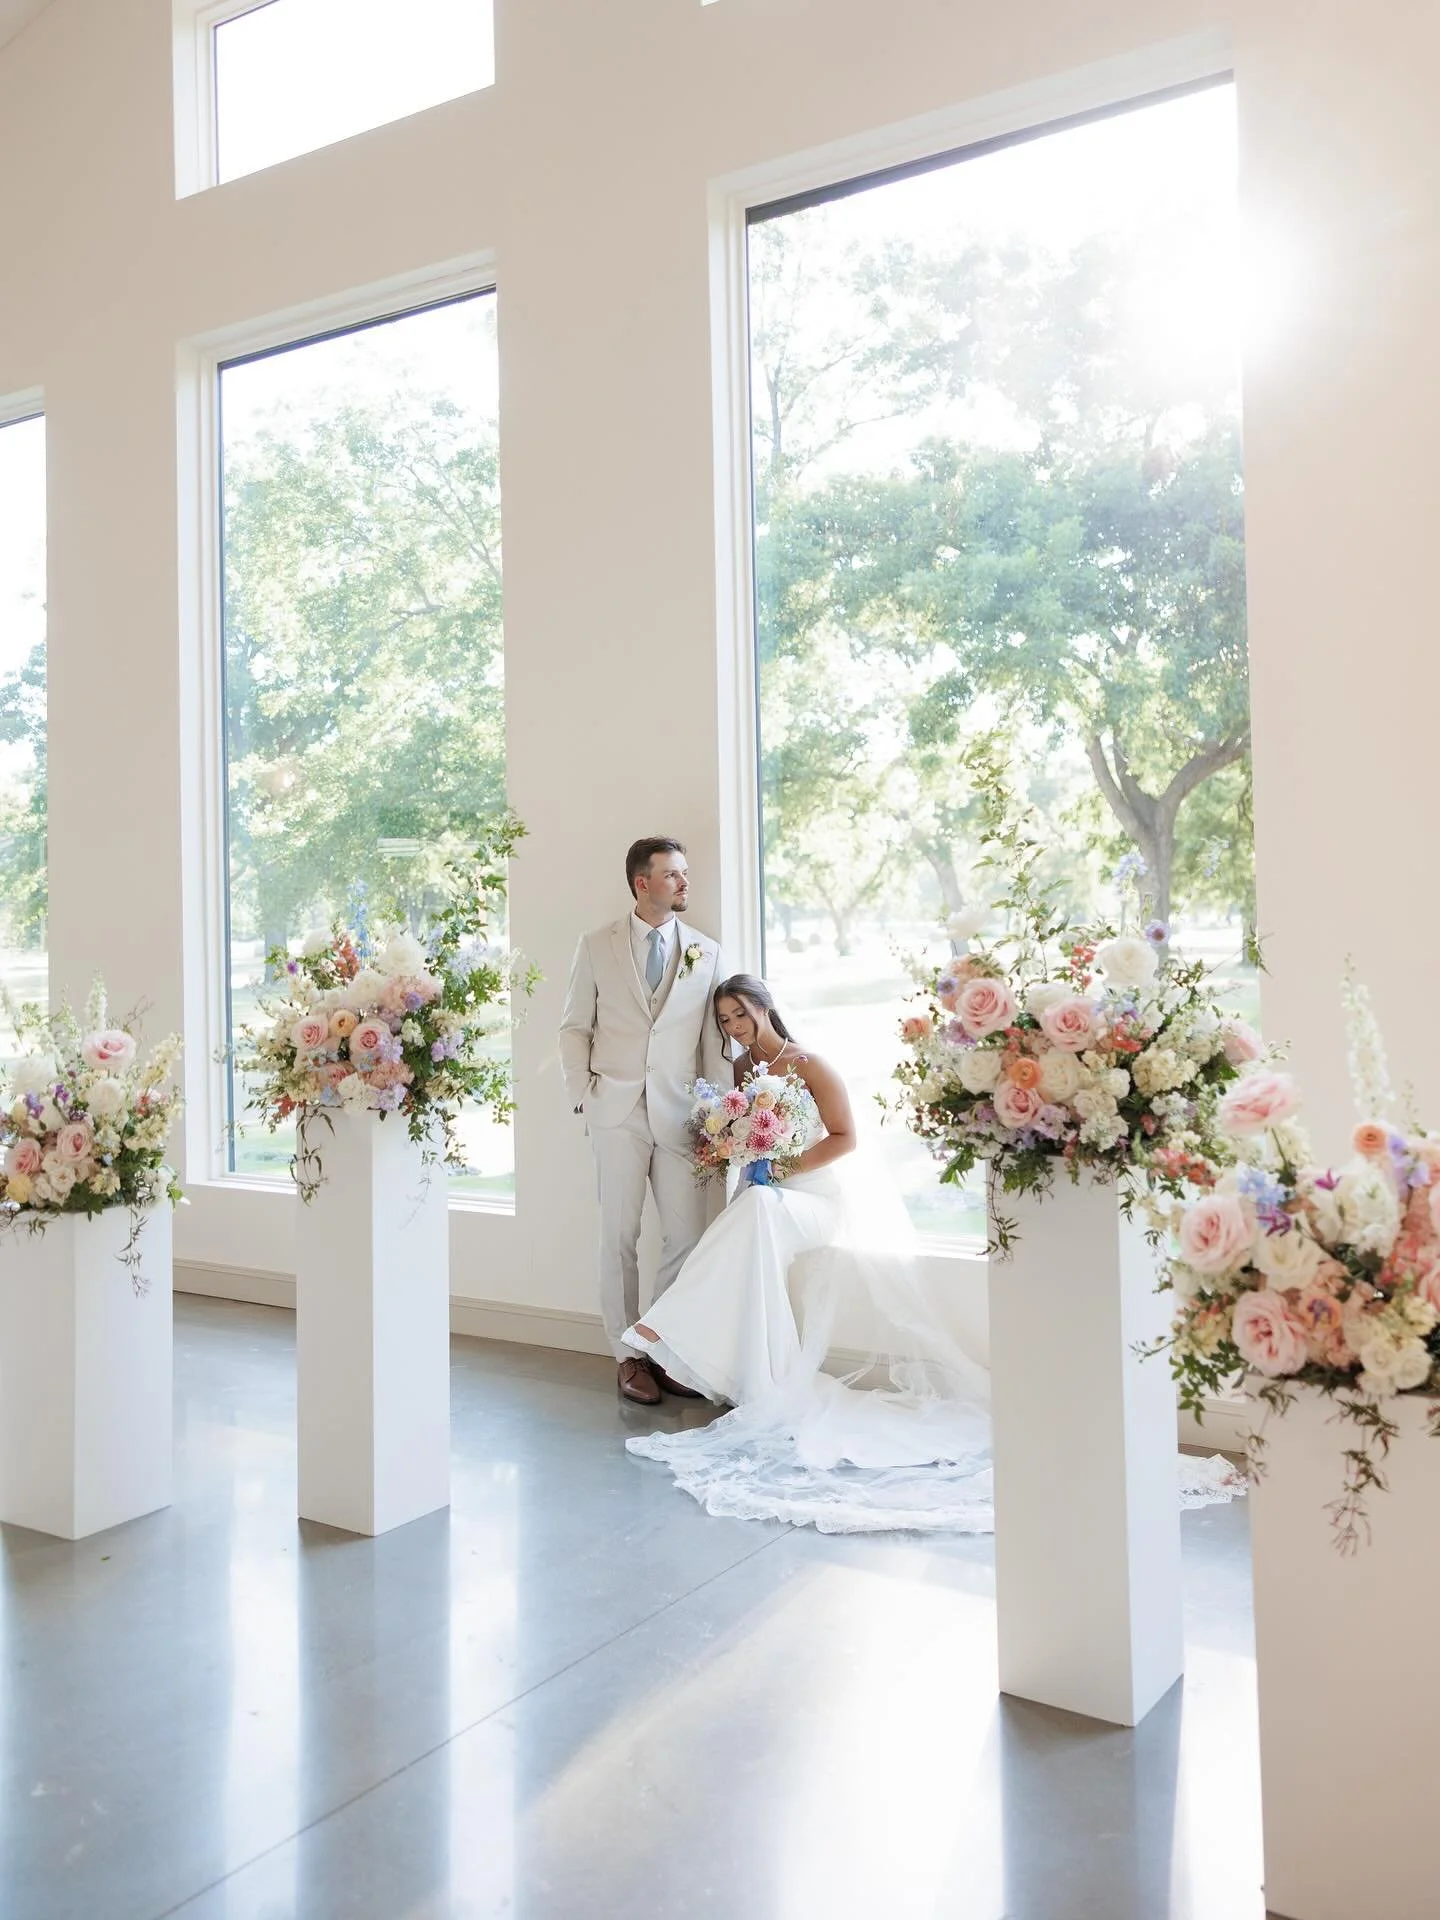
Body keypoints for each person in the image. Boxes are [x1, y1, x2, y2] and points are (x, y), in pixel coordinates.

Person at [622, 975, 998, 1533]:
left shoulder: (809, 1064)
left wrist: (780, 1168)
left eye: (740, 1014)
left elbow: (845, 1137)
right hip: (767, 1200)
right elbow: (736, 1139)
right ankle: (756, 1380)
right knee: (752, 1223)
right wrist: (732, 1146)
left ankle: (660, 1327)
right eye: (724, 1021)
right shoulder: (741, 1072)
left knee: (753, 1213)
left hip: (817, 1202)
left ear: (764, 1007)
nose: (733, 1027)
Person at [559, 837, 729, 1405]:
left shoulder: (706, 951)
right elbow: (573, 1026)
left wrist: (720, 1116)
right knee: (619, 1238)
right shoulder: (596, 945)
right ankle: (626, 1355)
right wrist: (584, 1093)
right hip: (616, 1111)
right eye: (674, 875)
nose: (685, 883)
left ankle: (661, 1348)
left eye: (685, 873)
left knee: (685, 1237)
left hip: (682, 1115)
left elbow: (712, 1040)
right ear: (642, 883)